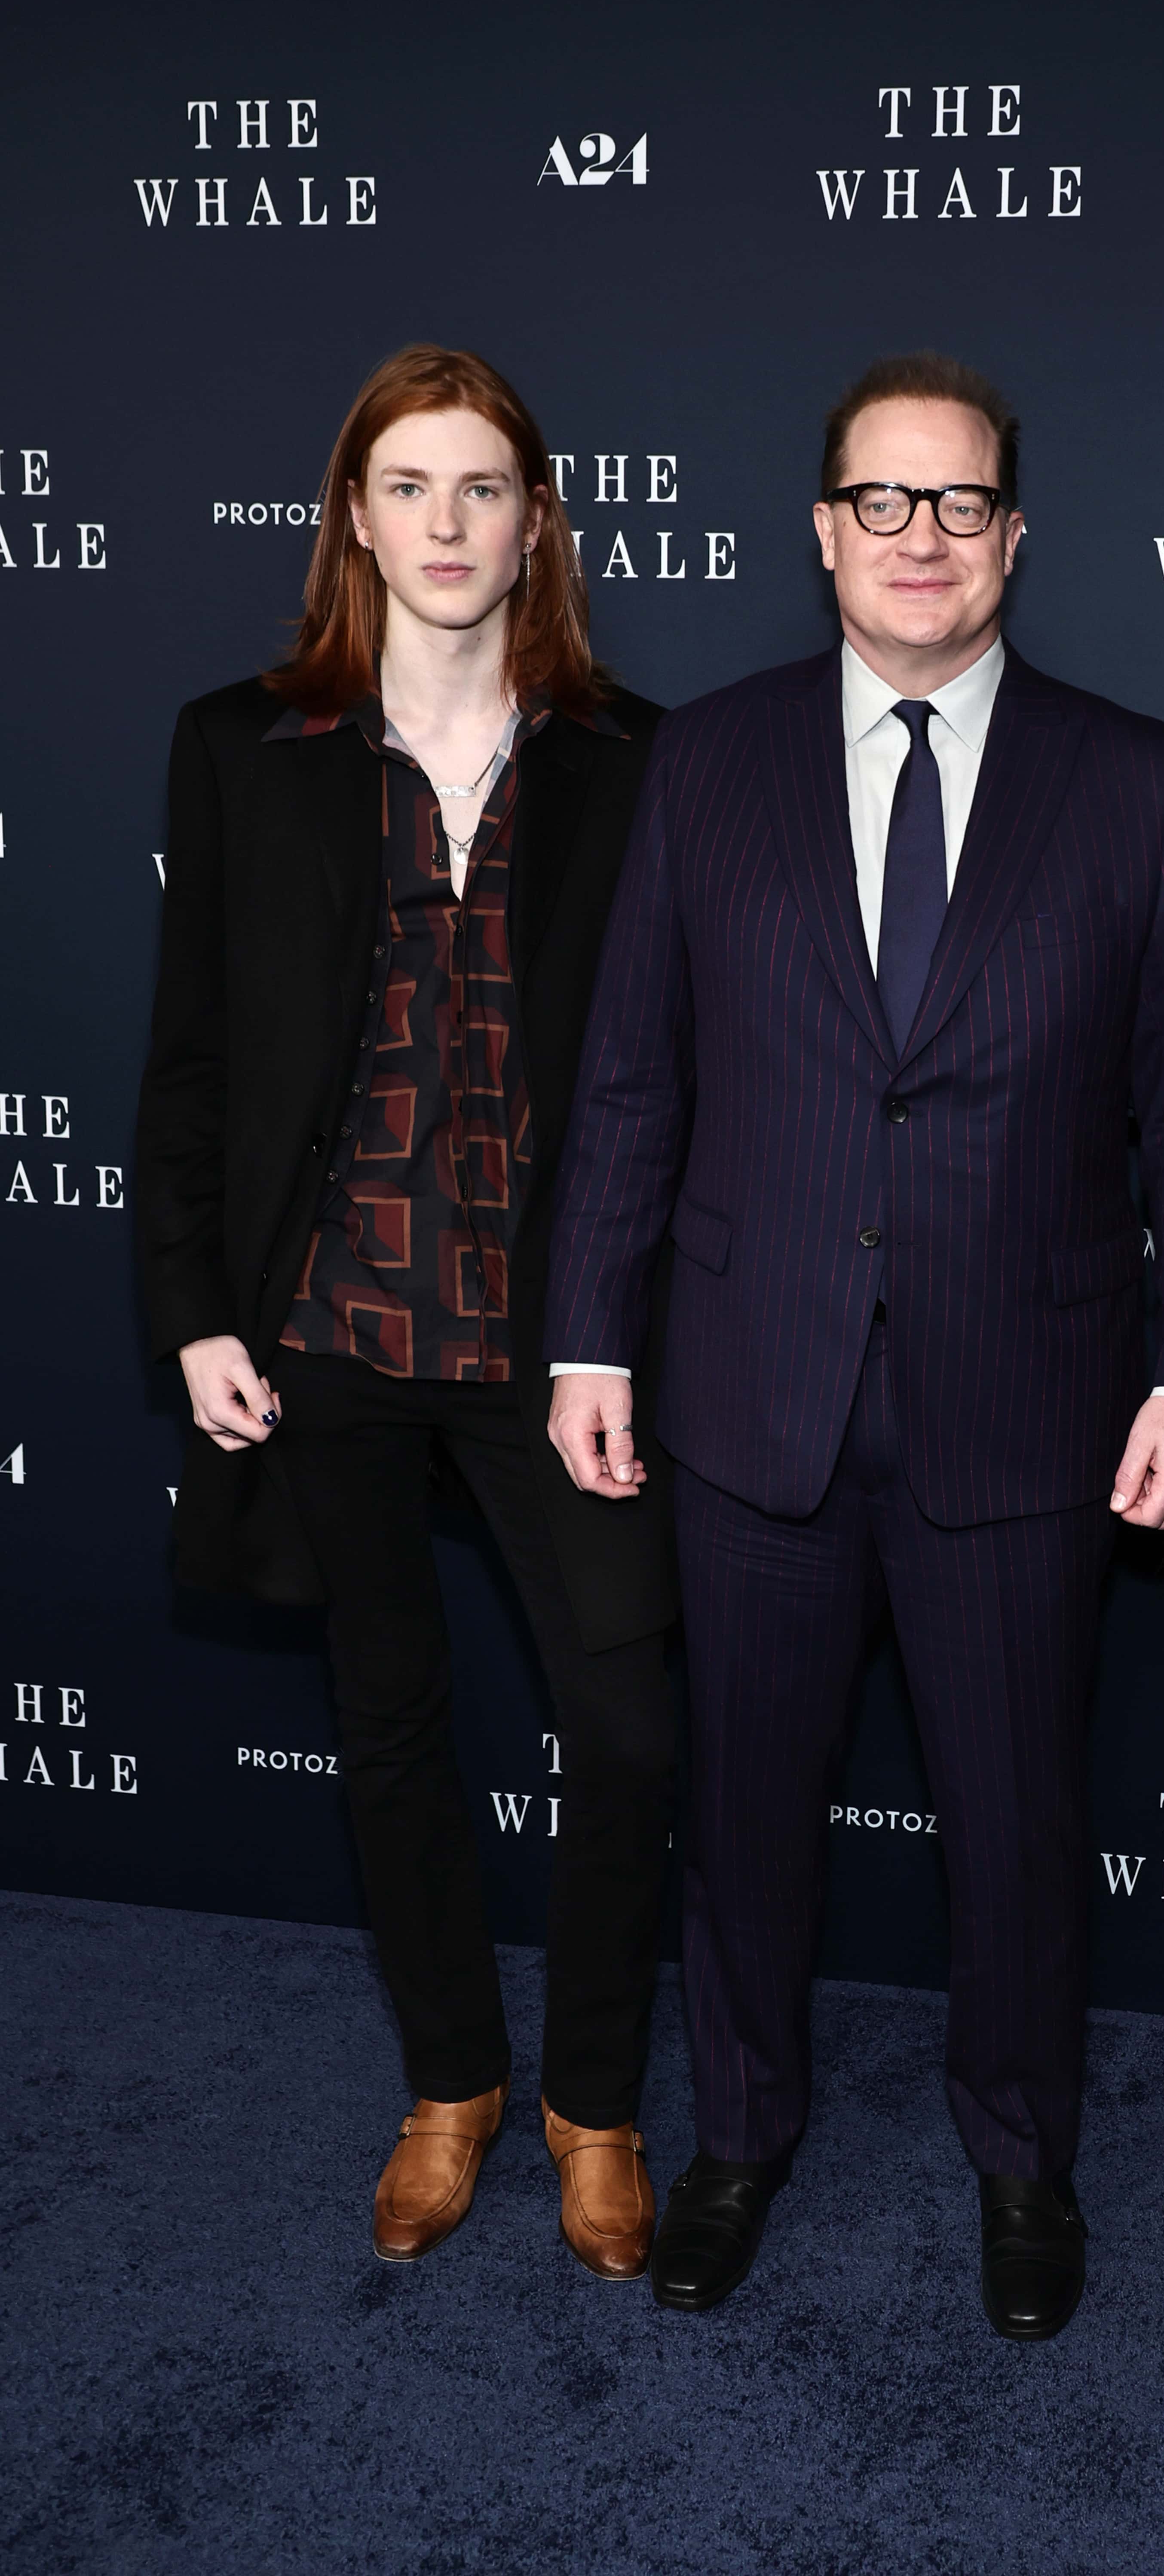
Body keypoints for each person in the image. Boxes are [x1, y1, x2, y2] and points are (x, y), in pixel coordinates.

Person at [547, 350, 1164, 2339]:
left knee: (1023, 1823)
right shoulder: (712, 762)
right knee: (748, 1811)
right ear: (824, 533)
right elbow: (630, 1081)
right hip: (747, 1394)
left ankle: (1025, 2160)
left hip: (1025, 1407)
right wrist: (588, 1341)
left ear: (1015, 536)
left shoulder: (1134, 778)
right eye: (886, 501)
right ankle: (741, 2134)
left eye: (961, 504)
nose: (923, 537)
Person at [135, 345, 679, 2279]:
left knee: (627, 1730)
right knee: (391, 1723)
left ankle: (592, 2103)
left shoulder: (636, 758)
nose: (447, 526)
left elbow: (678, 1078)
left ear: (538, 522)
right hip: (333, 1332)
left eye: (483, 490)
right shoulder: (244, 744)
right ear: (353, 518)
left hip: (562, 1351)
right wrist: (197, 1308)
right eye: (409, 488)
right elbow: (193, 1057)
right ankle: (450, 2083)